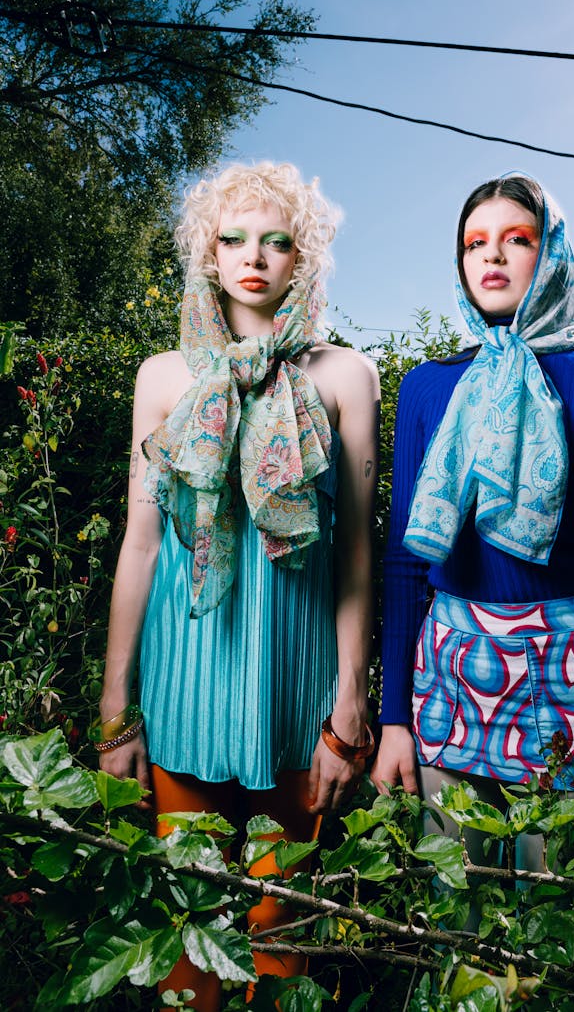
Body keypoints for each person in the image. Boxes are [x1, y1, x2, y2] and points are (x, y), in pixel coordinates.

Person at [94, 162, 379, 1010]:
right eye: (233, 238)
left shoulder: (345, 377)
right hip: (183, 693)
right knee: (189, 940)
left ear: (304, 258)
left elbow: (356, 554)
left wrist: (350, 704)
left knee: (278, 934)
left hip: (297, 700)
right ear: (207, 255)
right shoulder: (162, 377)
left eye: (276, 239)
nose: (254, 256)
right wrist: (118, 710)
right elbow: (140, 545)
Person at [371, 172, 574, 873]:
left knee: (558, 915)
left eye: (516, 239)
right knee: (454, 914)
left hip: (568, 672)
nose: (492, 256)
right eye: (475, 243)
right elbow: (408, 562)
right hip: (448, 673)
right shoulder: (428, 385)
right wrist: (394, 720)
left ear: (551, 252)